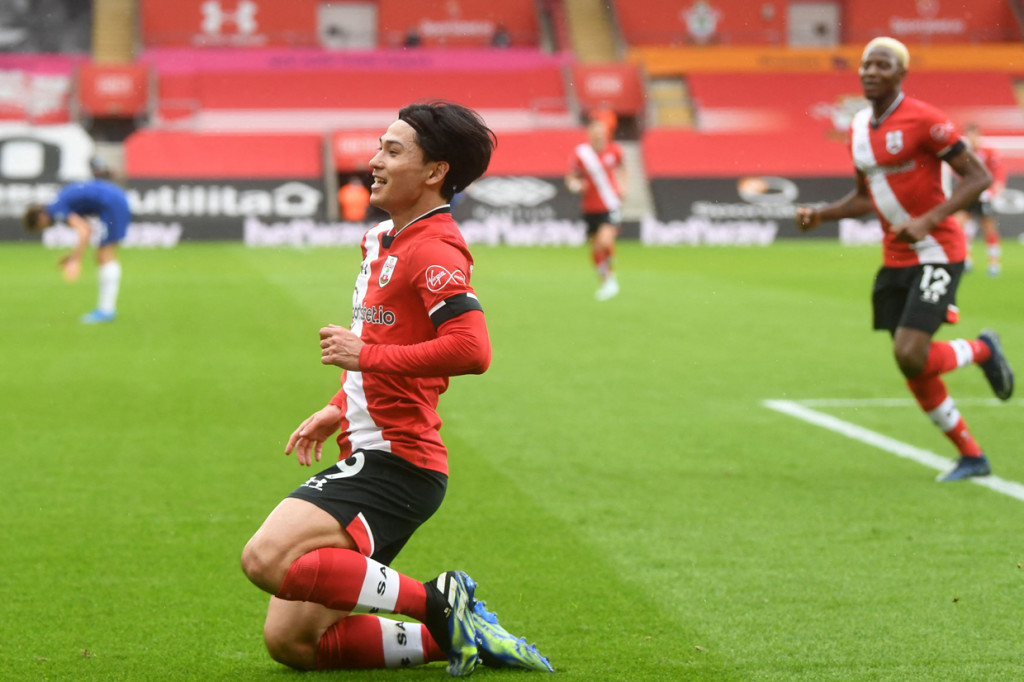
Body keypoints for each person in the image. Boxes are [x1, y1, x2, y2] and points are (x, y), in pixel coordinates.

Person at [240, 101, 553, 676]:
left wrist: (367, 356)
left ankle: (441, 604)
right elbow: (382, 341)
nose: (372, 160)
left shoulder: (433, 248)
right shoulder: (380, 239)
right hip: (371, 449)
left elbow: (472, 349)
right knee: (294, 643)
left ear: (435, 172)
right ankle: (466, 638)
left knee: (266, 558)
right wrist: (340, 405)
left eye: (392, 150)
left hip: (397, 461)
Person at [794, 37, 1014, 482]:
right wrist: (822, 214)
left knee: (909, 351)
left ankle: (983, 349)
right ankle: (972, 455)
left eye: (883, 65)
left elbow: (979, 176)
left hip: (938, 250)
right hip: (895, 257)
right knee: (909, 360)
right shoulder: (857, 129)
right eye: (866, 64)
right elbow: (864, 198)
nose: (871, 71)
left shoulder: (926, 120)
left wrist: (929, 220)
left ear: (901, 74)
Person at [23, 178, 130, 324]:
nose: (46, 228)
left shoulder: (56, 209)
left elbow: (85, 230)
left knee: (105, 255)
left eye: (41, 227)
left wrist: (75, 260)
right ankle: (106, 310)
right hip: (114, 199)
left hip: (112, 203)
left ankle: (106, 311)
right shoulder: (58, 203)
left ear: (41, 218)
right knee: (103, 255)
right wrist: (73, 256)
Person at [566, 116, 625, 301]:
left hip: (610, 204)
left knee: (604, 242)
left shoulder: (615, 151)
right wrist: (576, 185)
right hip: (590, 207)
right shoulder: (582, 154)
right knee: (596, 247)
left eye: (602, 131)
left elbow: (623, 168)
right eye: (595, 131)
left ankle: (611, 278)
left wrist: (623, 186)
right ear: (590, 133)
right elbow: (571, 177)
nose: (599, 135)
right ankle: (606, 280)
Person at [954, 123, 1006, 276]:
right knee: (959, 226)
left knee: (988, 228)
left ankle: (994, 262)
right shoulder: (963, 152)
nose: (972, 138)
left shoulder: (988, 151)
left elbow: (998, 169)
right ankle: (966, 259)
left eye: (973, 135)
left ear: (978, 135)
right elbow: (958, 171)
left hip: (984, 196)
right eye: (968, 135)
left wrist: (996, 187)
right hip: (969, 194)